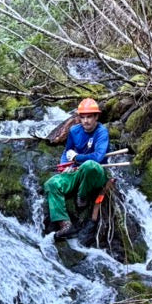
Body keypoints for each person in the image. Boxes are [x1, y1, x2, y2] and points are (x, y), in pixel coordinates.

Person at [45, 97, 110, 240]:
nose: (86, 121)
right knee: (51, 183)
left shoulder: (102, 132)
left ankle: (83, 195)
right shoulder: (74, 131)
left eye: (89, 117)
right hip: (77, 172)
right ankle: (65, 224)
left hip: (96, 173)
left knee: (89, 165)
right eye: (83, 117)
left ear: (96, 117)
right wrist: (65, 166)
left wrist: (77, 158)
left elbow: (98, 157)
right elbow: (67, 152)